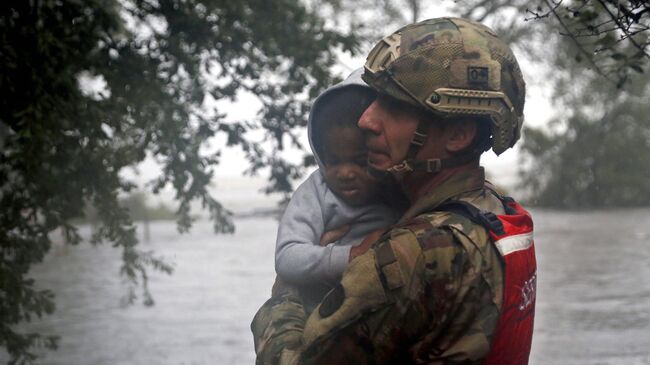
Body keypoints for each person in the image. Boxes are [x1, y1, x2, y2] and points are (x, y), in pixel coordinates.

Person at [252, 17, 536, 365]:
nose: (366, 121)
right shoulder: (495, 210)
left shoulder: (411, 254)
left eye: (394, 106)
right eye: (373, 101)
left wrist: (287, 294)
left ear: (457, 134)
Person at [274, 69, 402, 312]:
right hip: (322, 316)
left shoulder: (399, 189)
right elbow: (287, 257)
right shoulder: (317, 192)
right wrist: (353, 255)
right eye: (333, 161)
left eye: (359, 161)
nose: (345, 173)